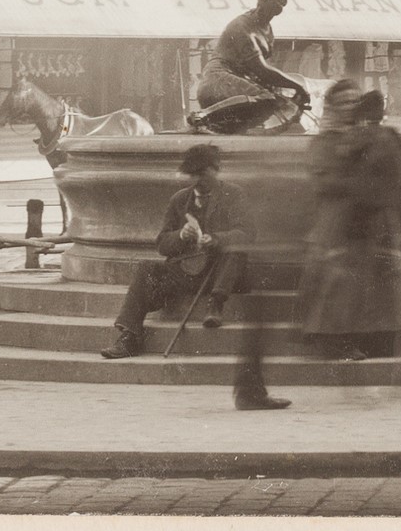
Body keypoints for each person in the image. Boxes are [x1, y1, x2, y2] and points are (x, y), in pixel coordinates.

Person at [102, 142, 283, 408]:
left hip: (223, 272)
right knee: (146, 269)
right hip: (188, 270)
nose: (197, 180)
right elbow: (162, 244)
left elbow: (247, 233)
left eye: (202, 173)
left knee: (236, 250)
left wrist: (216, 239)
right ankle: (129, 335)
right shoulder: (179, 200)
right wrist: (180, 236)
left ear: (215, 170)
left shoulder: (234, 194)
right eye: (193, 174)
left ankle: (215, 305)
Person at [296, 82, 401, 364]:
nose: (350, 107)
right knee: (340, 281)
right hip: (339, 220)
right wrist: (362, 183)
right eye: (343, 103)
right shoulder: (324, 142)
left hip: (376, 218)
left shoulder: (372, 136)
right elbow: (324, 182)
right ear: (331, 108)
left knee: (392, 278)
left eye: (355, 101)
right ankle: (333, 341)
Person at [189, 0, 311, 134]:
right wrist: (298, 86)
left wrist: (285, 98)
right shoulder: (242, 26)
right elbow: (262, 70)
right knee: (266, 98)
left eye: (277, 2)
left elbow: (261, 75)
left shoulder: (267, 30)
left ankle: (219, 124)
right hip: (218, 80)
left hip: (238, 88)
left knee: (275, 103)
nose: (263, 4)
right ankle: (202, 116)